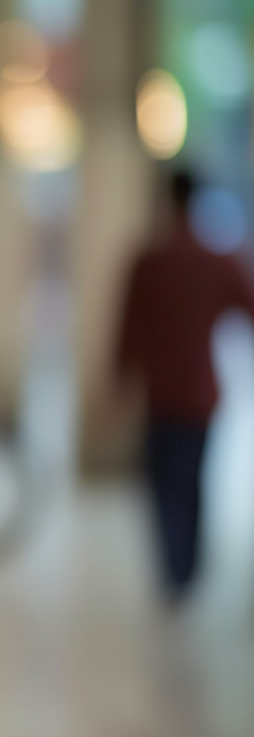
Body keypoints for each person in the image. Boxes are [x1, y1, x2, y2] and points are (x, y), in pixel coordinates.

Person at [115, 169, 254, 603]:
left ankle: (175, 571)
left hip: (161, 393)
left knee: (162, 485)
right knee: (192, 483)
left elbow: (126, 331)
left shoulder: (149, 261)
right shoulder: (215, 261)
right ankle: (188, 569)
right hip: (200, 393)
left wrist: (117, 382)